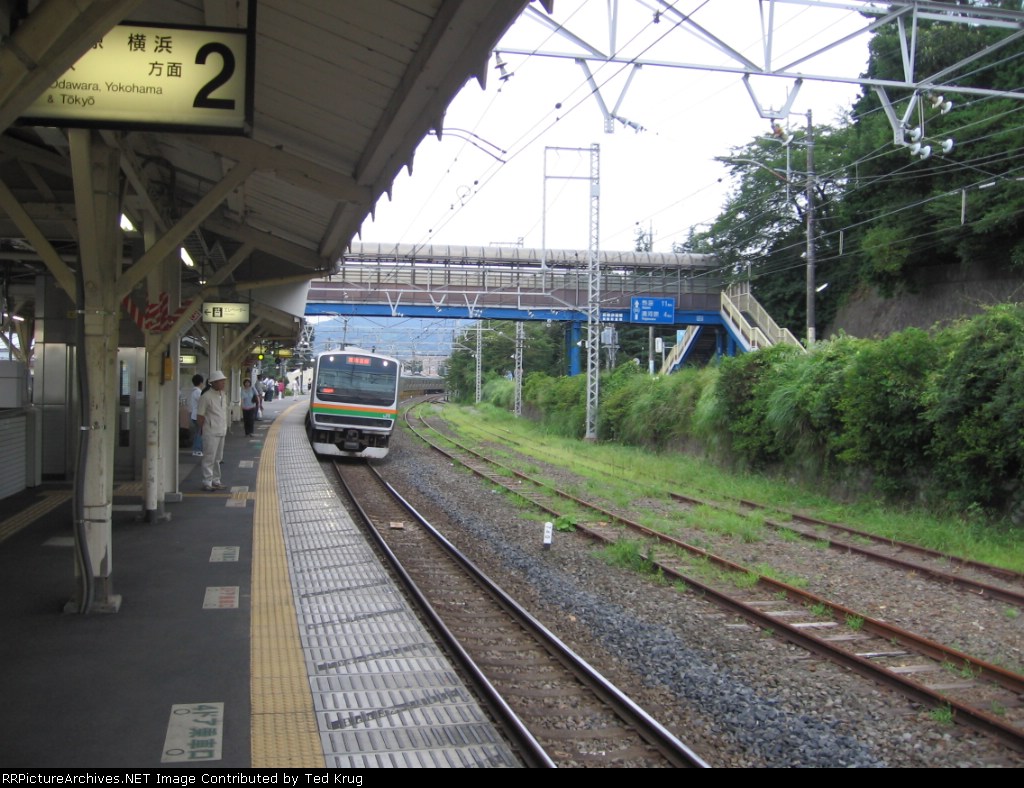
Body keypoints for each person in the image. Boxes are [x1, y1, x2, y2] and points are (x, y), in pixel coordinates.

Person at [196, 370, 228, 491]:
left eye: (223, 381)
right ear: (213, 382)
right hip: (210, 431)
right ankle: (207, 482)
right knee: (209, 457)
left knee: (218, 458)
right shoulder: (206, 397)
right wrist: (203, 429)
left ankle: (216, 480)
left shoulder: (223, 395)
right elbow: (200, 416)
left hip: (221, 430)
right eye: (221, 381)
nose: (223, 383)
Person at [189, 373, 204, 456]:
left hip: (194, 415)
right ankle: (197, 450)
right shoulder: (198, 392)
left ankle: (196, 449)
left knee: (197, 433)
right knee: (199, 433)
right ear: (201, 383)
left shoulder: (194, 391)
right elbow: (202, 403)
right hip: (197, 416)